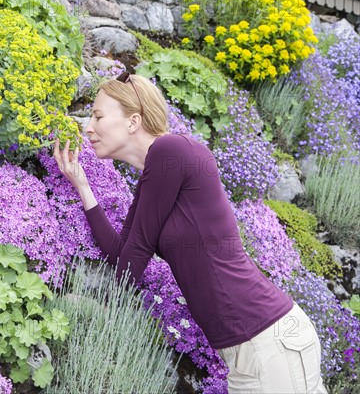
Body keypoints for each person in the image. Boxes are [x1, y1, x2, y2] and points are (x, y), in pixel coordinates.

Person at [53, 72, 328, 393]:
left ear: (133, 121)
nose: (88, 127)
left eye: (98, 116)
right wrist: (82, 185)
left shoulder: (171, 151)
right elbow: (122, 259)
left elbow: (129, 266)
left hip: (267, 342)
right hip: (255, 347)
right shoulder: (156, 175)